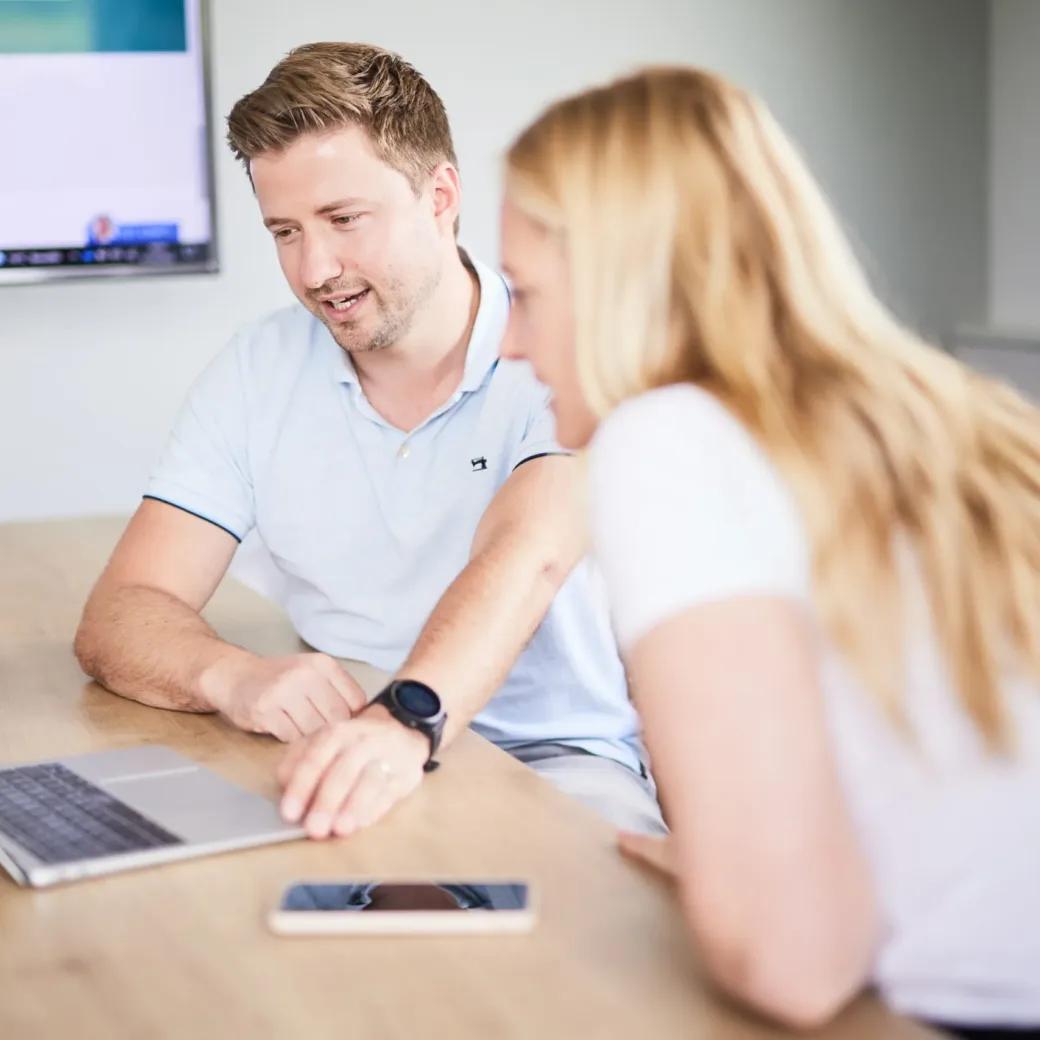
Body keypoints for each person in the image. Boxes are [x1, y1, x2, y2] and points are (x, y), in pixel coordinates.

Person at [498, 66, 1040, 1036]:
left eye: (525, 294)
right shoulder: (950, 411)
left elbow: (791, 959)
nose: (509, 343)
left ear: (619, 280)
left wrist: (734, 880)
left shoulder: (665, 438)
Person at [73, 43, 666, 840]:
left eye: (344, 219)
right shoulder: (258, 369)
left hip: (554, 764)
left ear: (440, 195)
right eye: (284, 231)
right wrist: (231, 676)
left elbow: (526, 559)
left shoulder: (556, 350)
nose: (316, 269)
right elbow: (121, 612)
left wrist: (405, 721)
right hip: (341, 752)